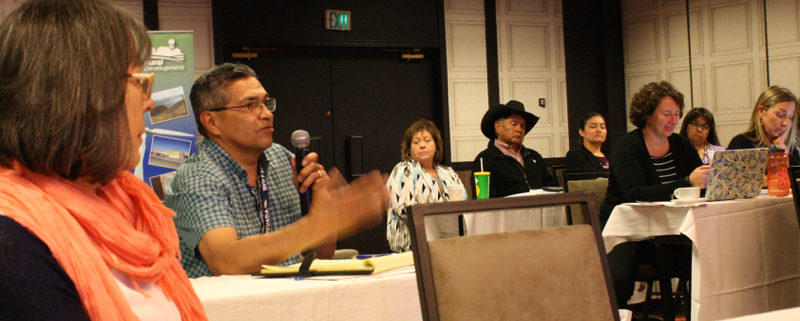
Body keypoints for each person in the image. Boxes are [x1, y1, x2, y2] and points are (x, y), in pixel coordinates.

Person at [0, 0, 206, 320]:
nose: (150, 102)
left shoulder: (125, 208)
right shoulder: (13, 244)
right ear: (81, 94)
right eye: (140, 83)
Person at [165, 63, 387, 278]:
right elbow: (224, 261)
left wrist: (322, 206)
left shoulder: (282, 159)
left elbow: (321, 256)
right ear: (211, 122)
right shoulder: (197, 176)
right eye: (250, 105)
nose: (266, 114)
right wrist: (314, 226)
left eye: (266, 103)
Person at [599, 81, 710, 308]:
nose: (674, 120)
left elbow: (702, 183)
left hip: (672, 230)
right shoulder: (626, 146)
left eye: (677, 114)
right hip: (628, 233)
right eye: (667, 114)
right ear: (647, 114)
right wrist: (687, 181)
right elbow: (635, 193)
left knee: (714, 260)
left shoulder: (680, 144)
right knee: (617, 280)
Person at [386, 119, 467, 252]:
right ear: (409, 149)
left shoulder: (448, 172)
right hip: (414, 245)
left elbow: (462, 201)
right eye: (416, 142)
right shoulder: (404, 169)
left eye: (427, 141)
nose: (422, 145)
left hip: (450, 240)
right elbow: (404, 209)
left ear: (436, 145)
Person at [471, 100, 555, 198]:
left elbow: (551, 189)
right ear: (498, 127)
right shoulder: (485, 160)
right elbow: (484, 201)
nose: (519, 129)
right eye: (514, 124)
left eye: (523, 126)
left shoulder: (534, 157)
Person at [728, 86, 800, 164]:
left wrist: (783, 151)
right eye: (780, 115)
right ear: (761, 111)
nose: (785, 123)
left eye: (790, 117)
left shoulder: (790, 148)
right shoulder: (741, 143)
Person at [566, 112, 610, 178]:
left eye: (602, 127)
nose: (599, 130)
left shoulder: (611, 154)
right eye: (593, 127)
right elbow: (588, 180)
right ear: (581, 132)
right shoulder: (575, 155)